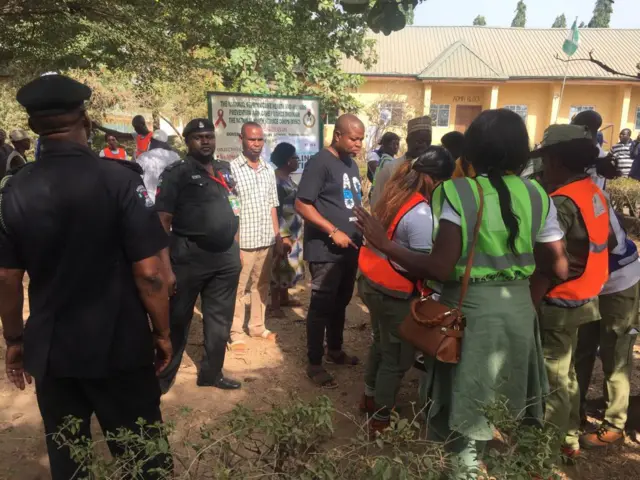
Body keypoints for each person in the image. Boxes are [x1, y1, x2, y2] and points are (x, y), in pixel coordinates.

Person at [355, 109, 567, 477]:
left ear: (472, 152)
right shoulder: (537, 194)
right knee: (508, 407)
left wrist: (384, 244)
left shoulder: (457, 191)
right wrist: (525, 300)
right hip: (519, 313)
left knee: (465, 414)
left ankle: (463, 472)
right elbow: (558, 267)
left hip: (471, 317)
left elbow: (439, 267)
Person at [0, 74, 173, 479]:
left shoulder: (13, 191)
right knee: (144, 458)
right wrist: (162, 333)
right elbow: (151, 274)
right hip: (120, 348)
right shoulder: (120, 181)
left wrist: (13, 339)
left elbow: (7, 277)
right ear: (86, 119)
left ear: (34, 126)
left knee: (70, 461)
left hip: (52, 350)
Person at [359, 146, 455, 433]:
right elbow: (424, 265)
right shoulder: (422, 214)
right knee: (397, 358)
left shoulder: (395, 198)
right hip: (395, 293)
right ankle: (381, 419)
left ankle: (369, 397)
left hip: (373, 284)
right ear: (433, 180)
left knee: (381, 343)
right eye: (443, 182)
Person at [531, 124, 612, 462]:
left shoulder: (561, 203)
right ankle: (569, 439)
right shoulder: (591, 190)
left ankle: (544, 457)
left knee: (552, 379)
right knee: (568, 374)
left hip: (560, 301)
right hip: (586, 295)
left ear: (557, 161)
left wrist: (528, 303)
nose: (541, 169)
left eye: (545, 161)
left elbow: (551, 262)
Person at [155, 118, 242, 392]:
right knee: (177, 321)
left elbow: (234, 208)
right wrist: (165, 268)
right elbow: (162, 220)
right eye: (198, 137)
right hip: (189, 258)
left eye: (209, 136)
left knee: (220, 321)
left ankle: (211, 374)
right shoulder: (176, 173)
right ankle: (161, 380)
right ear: (187, 141)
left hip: (225, 259)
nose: (205, 141)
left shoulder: (224, 169)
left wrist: (235, 247)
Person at [295, 114, 365, 388]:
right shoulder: (320, 163)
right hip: (325, 251)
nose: (358, 143)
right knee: (322, 306)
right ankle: (314, 362)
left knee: (342, 302)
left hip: (351, 250)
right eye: (353, 138)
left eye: (361, 139)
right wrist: (332, 231)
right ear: (337, 135)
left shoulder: (351, 165)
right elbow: (302, 204)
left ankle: (335, 350)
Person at [228, 122, 280, 349]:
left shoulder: (269, 170)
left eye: (260, 139)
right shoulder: (232, 170)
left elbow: (272, 205)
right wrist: (235, 242)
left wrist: (277, 237)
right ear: (242, 139)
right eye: (252, 139)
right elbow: (231, 208)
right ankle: (235, 331)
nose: (256, 144)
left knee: (262, 284)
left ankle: (257, 326)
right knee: (238, 288)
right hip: (243, 241)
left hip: (266, 240)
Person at [269, 142, 305, 318]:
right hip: (283, 231)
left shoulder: (288, 178)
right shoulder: (276, 181)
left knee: (287, 265)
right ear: (287, 160)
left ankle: (284, 298)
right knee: (278, 264)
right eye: (295, 158)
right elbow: (276, 209)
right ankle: (274, 305)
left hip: (294, 230)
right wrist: (282, 235)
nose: (297, 161)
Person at [370, 116, 432, 208]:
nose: (424, 146)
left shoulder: (432, 170)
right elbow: (376, 202)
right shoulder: (390, 168)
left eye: (428, 142)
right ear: (408, 141)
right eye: (419, 141)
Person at [137, 130, 181, 204]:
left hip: (150, 199)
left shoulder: (143, 157)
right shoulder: (175, 157)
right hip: (170, 200)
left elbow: (137, 178)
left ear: (152, 141)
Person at [367, 131, 400, 198]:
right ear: (384, 144)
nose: (396, 147)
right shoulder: (375, 155)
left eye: (397, 144)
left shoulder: (392, 159)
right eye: (393, 144)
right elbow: (378, 171)